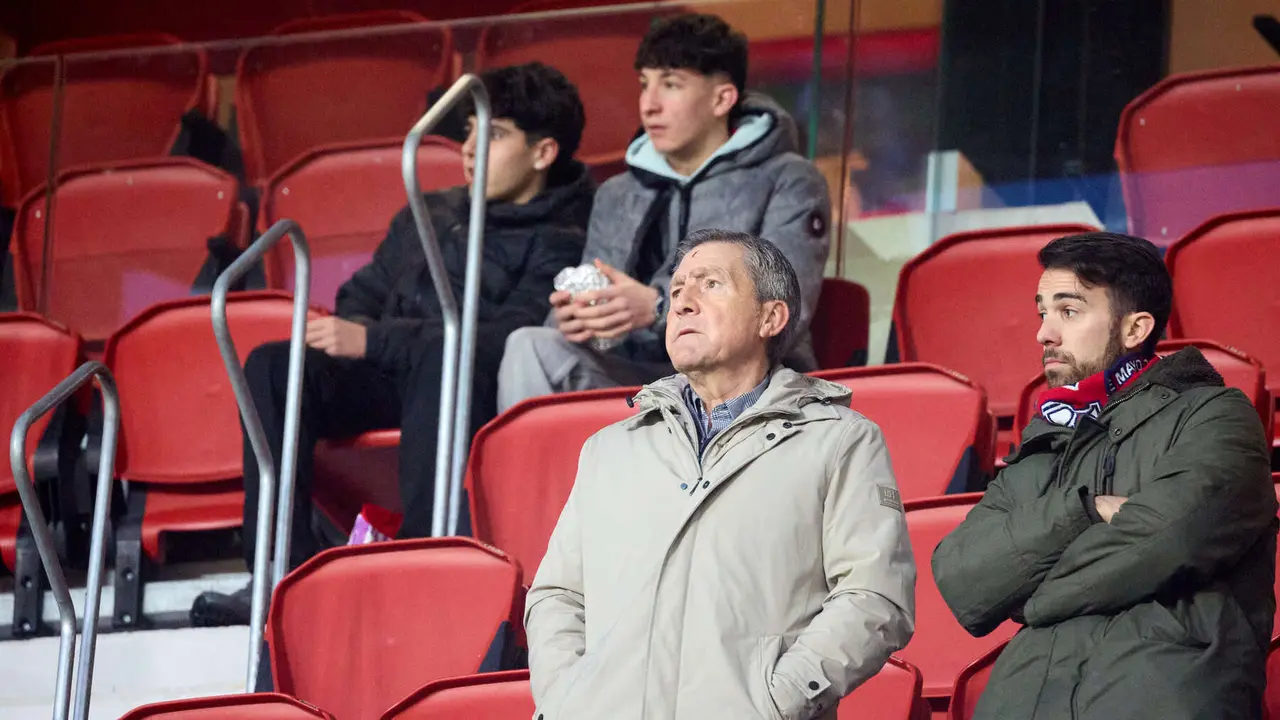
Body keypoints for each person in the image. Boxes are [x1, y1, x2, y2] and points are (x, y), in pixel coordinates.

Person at [190, 62, 593, 627]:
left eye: (493, 134)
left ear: (543, 153)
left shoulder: (568, 233)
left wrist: (374, 340)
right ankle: (280, 571)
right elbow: (364, 294)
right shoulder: (431, 211)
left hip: (460, 382)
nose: (470, 149)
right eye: (469, 133)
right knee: (273, 367)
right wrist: (355, 338)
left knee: (444, 355)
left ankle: (427, 556)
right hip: (392, 370)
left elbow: (509, 337)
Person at [525, 229, 915, 719]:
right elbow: (558, 595)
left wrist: (775, 702)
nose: (683, 303)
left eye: (709, 284)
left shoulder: (841, 439)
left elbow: (875, 598)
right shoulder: (608, 449)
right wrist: (567, 700)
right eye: (676, 291)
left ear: (771, 317)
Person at [932, 232, 1277, 719]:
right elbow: (964, 579)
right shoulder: (1044, 440)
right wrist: (1086, 511)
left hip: (1159, 698)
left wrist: (1032, 600)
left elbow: (1168, 541)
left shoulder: (1215, 415)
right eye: (1042, 313)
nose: (1044, 334)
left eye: (1068, 312)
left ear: (1135, 329)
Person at [496, 13, 831, 412]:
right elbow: (595, 299)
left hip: (747, 385)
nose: (649, 105)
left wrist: (658, 309)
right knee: (529, 345)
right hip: (636, 377)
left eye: (670, 84)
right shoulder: (617, 193)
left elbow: (784, 313)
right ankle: (530, 476)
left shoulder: (789, 179)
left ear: (721, 99)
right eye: (644, 84)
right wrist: (577, 321)